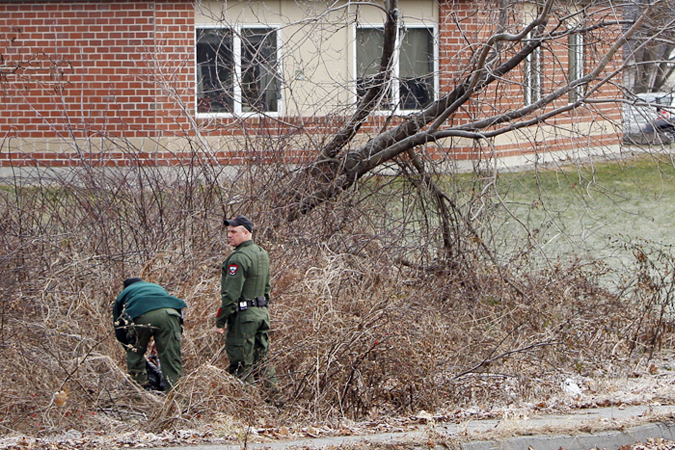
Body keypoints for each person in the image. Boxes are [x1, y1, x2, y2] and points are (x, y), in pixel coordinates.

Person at [214, 215, 278, 394]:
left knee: (241, 364)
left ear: (246, 233)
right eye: (228, 232)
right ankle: (275, 403)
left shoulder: (238, 258)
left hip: (243, 317)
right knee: (262, 362)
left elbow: (230, 294)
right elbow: (267, 287)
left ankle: (246, 407)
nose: (229, 236)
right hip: (261, 314)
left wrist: (220, 321)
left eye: (234, 232)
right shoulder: (261, 253)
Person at [113, 278, 187, 392]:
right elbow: (167, 312)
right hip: (170, 314)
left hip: (141, 314)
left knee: (135, 356)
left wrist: (129, 347)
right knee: (172, 360)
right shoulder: (156, 287)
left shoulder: (124, 294)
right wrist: (164, 341)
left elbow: (119, 327)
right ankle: (177, 398)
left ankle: (140, 393)